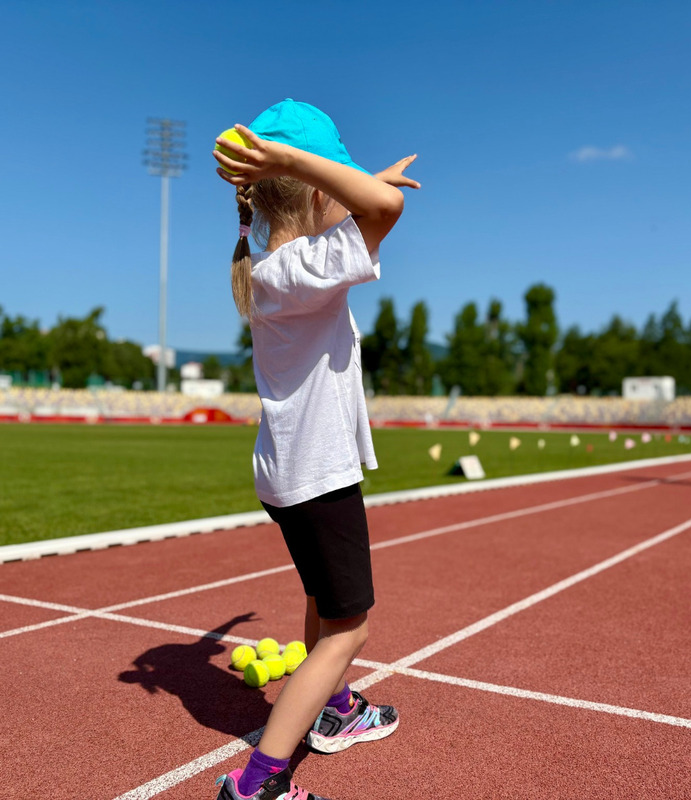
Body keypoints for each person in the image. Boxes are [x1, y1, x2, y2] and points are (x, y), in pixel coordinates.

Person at [211, 99, 420, 800]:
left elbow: (372, 203)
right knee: (348, 631)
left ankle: (332, 708)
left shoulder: (276, 263)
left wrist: (344, 178)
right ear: (312, 190)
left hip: (288, 471)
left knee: (318, 594)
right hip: (316, 476)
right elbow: (385, 210)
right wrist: (317, 169)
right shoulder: (303, 266)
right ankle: (260, 783)